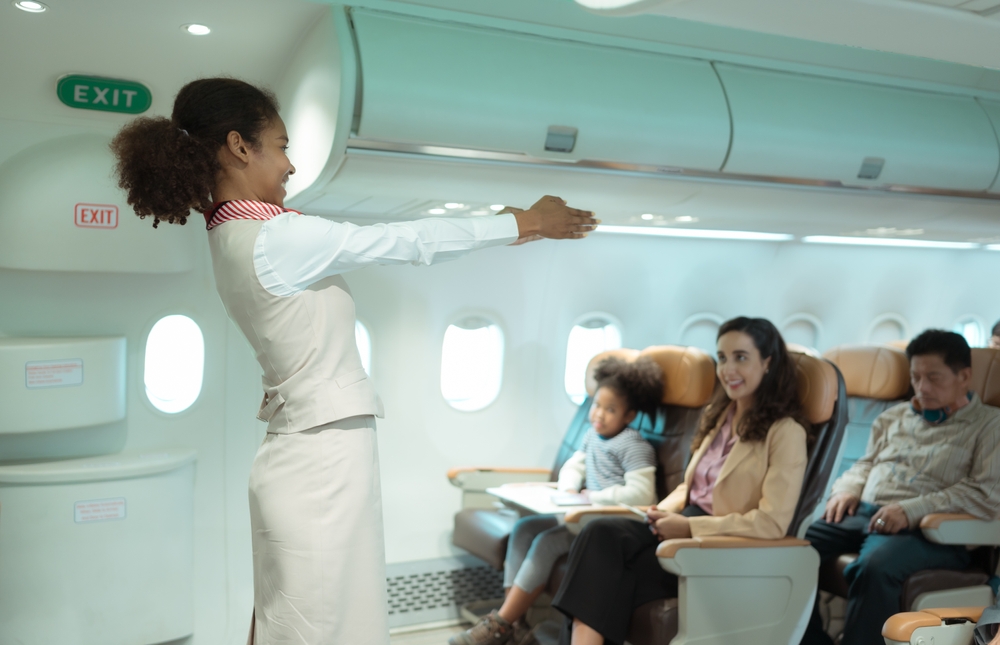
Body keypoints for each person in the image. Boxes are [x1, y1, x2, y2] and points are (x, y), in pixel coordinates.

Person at [109, 78, 598, 645]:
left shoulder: (228, 237)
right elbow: (405, 241)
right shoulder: (275, 238)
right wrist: (525, 222)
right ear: (241, 147)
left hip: (300, 454)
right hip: (321, 462)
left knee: (288, 620)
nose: (290, 166)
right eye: (283, 145)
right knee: (326, 626)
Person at [551, 317, 810, 645]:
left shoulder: (785, 432)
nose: (728, 368)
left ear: (768, 362)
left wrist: (688, 529)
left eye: (741, 357)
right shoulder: (720, 417)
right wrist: (658, 512)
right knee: (599, 533)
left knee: (605, 574)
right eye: (723, 357)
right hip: (682, 524)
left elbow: (771, 523)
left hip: (720, 546)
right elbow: (691, 488)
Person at [800, 330, 1000, 645]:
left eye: (934, 378)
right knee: (799, 543)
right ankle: (809, 640)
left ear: (965, 376)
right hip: (867, 512)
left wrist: (910, 511)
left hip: (931, 532)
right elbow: (865, 463)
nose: (922, 387)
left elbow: (984, 492)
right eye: (916, 377)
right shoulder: (894, 416)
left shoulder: (990, 425)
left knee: (875, 566)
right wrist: (846, 490)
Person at [450, 357, 663, 645]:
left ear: (629, 416)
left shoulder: (634, 445)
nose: (599, 414)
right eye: (596, 405)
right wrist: (569, 489)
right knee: (525, 528)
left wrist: (593, 496)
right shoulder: (593, 437)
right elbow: (575, 466)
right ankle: (515, 622)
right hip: (584, 514)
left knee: (545, 542)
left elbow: (641, 494)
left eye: (610, 410)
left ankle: (500, 625)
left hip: (608, 526)